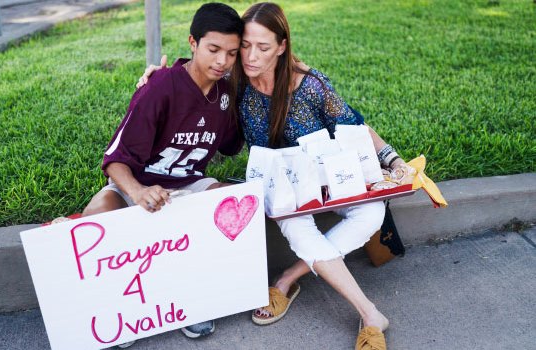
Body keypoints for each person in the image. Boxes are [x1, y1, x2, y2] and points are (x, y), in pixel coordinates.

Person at [138, 3, 409, 349]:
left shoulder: (309, 85)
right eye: (246, 46)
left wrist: (393, 159)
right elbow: (198, 70)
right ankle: (370, 314)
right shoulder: (234, 86)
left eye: (263, 47)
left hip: (327, 179)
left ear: (282, 46)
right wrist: (157, 78)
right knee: (295, 223)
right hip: (279, 189)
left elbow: (353, 123)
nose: (250, 57)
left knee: (372, 212)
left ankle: (287, 278)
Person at [81, 3, 244, 348]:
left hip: (187, 183)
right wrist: (138, 192)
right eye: (213, 50)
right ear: (192, 43)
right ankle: (121, 311)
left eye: (231, 53)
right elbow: (115, 161)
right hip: (138, 183)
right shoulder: (160, 88)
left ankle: (193, 302)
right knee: (95, 217)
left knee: (228, 201)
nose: (221, 61)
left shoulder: (227, 92)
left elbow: (231, 145)